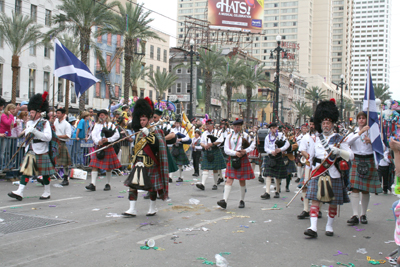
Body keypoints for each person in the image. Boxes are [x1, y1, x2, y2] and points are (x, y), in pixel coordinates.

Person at [303, 99, 353, 238]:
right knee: (315, 199)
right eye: (324, 123)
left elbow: (351, 155)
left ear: (332, 124)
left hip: (334, 172)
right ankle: (313, 227)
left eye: (328, 123)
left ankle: (329, 226)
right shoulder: (315, 139)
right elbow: (310, 157)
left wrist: (339, 152)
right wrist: (309, 171)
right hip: (318, 170)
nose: (325, 125)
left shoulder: (339, 139)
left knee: (333, 202)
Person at [122, 98, 169, 217]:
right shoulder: (138, 132)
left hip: (150, 162)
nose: (141, 122)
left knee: (152, 187)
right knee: (132, 186)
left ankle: (152, 208)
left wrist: (148, 135)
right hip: (138, 162)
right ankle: (132, 209)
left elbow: (158, 147)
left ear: (148, 119)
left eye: (144, 120)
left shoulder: (155, 130)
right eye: (140, 120)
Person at [8, 92, 55, 201]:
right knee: (26, 171)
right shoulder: (29, 123)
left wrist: (35, 131)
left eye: (32, 112)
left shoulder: (44, 123)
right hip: (30, 149)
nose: (30, 114)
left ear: (39, 113)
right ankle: (19, 191)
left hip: (41, 150)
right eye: (30, 111)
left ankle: (47, 192)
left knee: (45, 173)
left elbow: (48, 137)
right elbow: (27, 135)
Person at [345, 111, 382, 225]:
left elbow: (383, 147)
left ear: (367, 120)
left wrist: (372, 142)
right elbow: (347, 142)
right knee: (355, 188)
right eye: (359, 118)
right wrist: (359, 133)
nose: (361, 120)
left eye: (363, 118)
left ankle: (363, 214)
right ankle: (355, 215)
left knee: (365, 190)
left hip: (369, 160)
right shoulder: (353, 132)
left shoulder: (373, 133)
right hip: (357, 160)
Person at [217, 118, 255, 209]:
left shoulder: (246, 135)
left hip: (242, 158)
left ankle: (242, 200)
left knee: (242, 180)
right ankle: (224, 201)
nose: (236, 129)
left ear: (241, 127)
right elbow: (226, 149)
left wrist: (245, 150)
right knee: (229, 180)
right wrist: (235, 153)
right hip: (233, 158)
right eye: (235, 127)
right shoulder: (229, 136)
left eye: (238, 127)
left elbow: (253, 145)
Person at [85, 109, 121, 191]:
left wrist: (108, 140)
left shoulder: (110, 124)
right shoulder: (96, 125)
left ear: (106, 116)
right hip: (99, 146)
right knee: (94, 165)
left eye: (103, 115)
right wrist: (98, 141)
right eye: (100, 115)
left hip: (107, 146)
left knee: (108, 167)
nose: (101, 116)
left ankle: (108, 184)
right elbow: (93, 135)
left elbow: (117, 135)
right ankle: (92, 184)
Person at [260, 122, 290, 200]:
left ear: (277, 128)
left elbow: (287, 144)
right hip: (270, 157)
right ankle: (267, 192)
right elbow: (265, 148)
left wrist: (280, 149)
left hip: (278, 156)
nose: (273, 130)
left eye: (274, 128)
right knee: (268, 175)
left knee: (277, 176)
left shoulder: (281, 135)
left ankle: (277, 191)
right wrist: (271, 151)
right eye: (271, 128)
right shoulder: (267, 137)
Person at [197, 119, 226, 190]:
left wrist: (212, 144)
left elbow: (220, 140)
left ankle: (215, 184)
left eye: (208, 125)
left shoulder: (218, 132)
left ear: (212, 125)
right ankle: (202, 184)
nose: (207, 126)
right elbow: (201, 142)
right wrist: (204, 146)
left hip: (215, 150)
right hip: (207, 151)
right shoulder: (204, 133)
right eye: (206, 125)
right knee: (205, 168)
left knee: (215, 168)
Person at [54, 108, 72, 186]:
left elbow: (68, 135)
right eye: (56, 113)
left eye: (58, 113)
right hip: (54, 143)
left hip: (61, 143)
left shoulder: (67, 124)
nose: (57, 115)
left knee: (65, 163)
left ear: (63, 114)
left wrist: (57, 136)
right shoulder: (55, 122)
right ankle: (45, 177)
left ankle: (65, 178)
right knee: (51, 160)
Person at [171, 117, 190, 182]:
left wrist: (181, 139)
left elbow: (188, 138)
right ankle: (170, 177)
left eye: (178, 123)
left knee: (180, 164)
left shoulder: (183, 130)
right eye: (176, 123)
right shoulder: (172, 130)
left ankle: (180, 177)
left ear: (180, 123)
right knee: (172, 162)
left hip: (180, 146)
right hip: (174, 146)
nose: (177, 124)